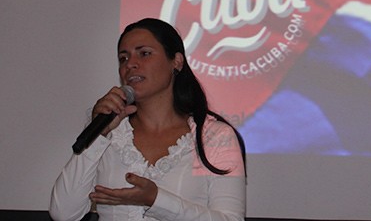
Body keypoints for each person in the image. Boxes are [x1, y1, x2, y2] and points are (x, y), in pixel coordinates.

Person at [50, 18, 246, 221]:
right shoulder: (111, 133)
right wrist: (98, 135)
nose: (130, 64)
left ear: (176, 62)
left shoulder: (216, 137)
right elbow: (63, 213)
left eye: (144, 53)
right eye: (123, 58)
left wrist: (156, 200)